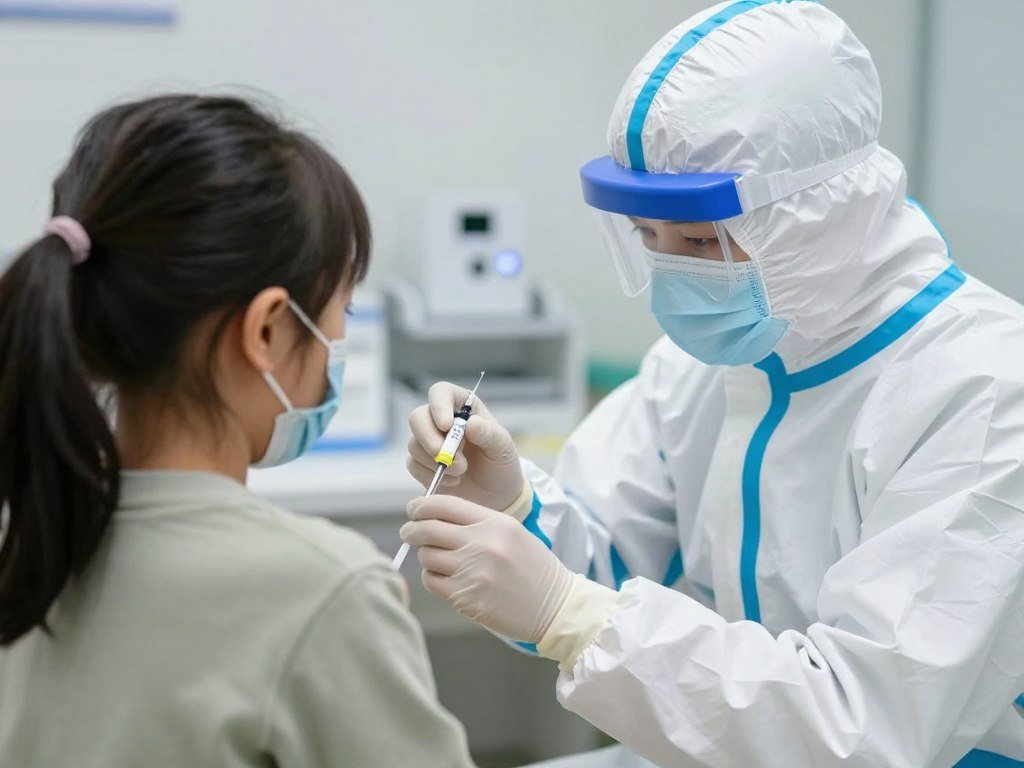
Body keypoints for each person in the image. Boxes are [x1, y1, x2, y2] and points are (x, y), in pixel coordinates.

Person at [402, 2, 1024, 766]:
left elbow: (860, 727)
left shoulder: (986, 391)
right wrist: (513, 508)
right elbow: (607, 569)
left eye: (700, 240)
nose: (675, 272)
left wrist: (572, 615)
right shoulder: (703, 365)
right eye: (648, 238)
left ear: (821, 212)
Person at [0, 95, 475, 768]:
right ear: (267, 330)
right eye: (339, 308)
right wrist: (340, 611)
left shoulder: (25, 537)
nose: (338, 340)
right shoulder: (322, 591)